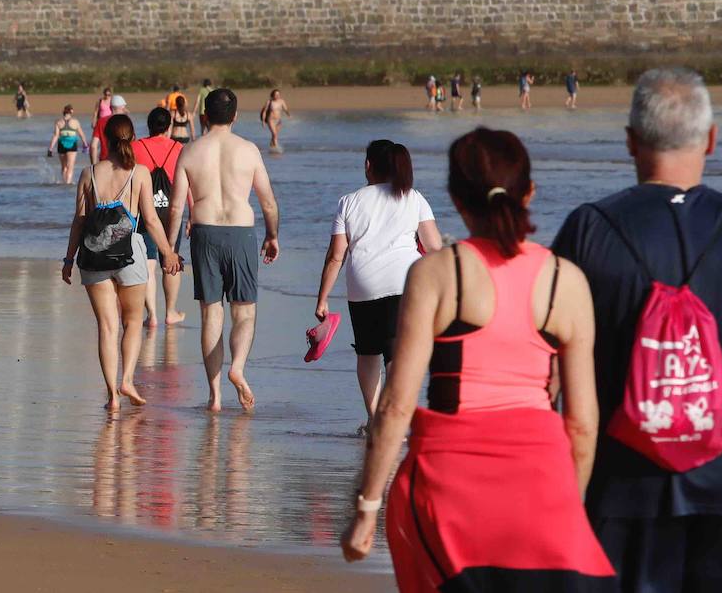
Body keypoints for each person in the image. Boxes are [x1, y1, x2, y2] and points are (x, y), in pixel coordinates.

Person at [341, 127, 615, 591]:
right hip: (541, 479)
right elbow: (583, 424)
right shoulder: (564, 280)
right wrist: (572, 505)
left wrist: (367, 509)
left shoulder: (436, 274)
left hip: (446, 484)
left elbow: (395, 407)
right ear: (530, 192)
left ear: (456, 198)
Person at [552, 68, 722, 592]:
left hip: (621, 491)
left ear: (631, 141)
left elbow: (546, 373)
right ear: (712, 140)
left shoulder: (588, 229)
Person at [314, 140, 441, 431]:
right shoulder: (413, 197)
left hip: (363, 287)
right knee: (397, 352)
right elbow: (434, 246)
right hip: (405, 284)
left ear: (368, 166)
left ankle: (375, 419)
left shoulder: (349, 201)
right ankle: (394, 417)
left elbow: (336, 256)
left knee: (368, 353)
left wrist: (322, 299)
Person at [166, 88, 280, 412]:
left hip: (204, 232)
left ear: (203, 116)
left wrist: (172, 250)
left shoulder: (189, 152)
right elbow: (268, 201)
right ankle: (238, 368)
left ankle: (215, 396)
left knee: (210, 312)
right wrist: (273, 235)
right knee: (244, 311)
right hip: (241, 232)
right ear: (234, 116)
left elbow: (176, 208)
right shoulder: (248, 150)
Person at [62, 114, 181, 411]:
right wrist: (168, 251)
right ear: (131, 136)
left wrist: (68, 259)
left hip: (93, 257)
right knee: (131, 322)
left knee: (106, 326)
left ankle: (112, 396)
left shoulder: (88, 172)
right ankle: (127, 379)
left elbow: (79, 221)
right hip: (131, 254)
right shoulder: (139, 172)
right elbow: (151, 220)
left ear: (107, 137)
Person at [134, 107, 186, 328]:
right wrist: (192, 214)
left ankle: (152, 315)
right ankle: (170, 312)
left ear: (149, 125)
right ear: (169, 126)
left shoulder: (135, 147)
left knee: (148, 265)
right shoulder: (179, 148)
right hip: (172, 213)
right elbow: (188, 184)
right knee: (171, 259)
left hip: (144, 213)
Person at [47, 105, 86, 184]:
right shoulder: (75, 122)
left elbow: (56, 136)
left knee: (64, 167)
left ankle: (64, 182)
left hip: (61, 145)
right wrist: (85, 144)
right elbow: (81, 134)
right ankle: (68, 184)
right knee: (70, 167)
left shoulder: (58, 122)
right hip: (72, 145)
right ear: (71, 111)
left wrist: (50, 148)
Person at [92, 94, 128, 163]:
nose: (124, 110)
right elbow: (131, 142)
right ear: (121, 108)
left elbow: (93, 146)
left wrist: (93, 166)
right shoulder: (125, 121)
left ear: (110, 107)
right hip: (122, 159)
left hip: (104, 160)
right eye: (123, 108)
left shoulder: (100, 121)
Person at [260, 89, 291, 153]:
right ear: (273, 95)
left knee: (275, 135)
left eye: (278, 94)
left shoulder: (281, 101)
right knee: (274, 134)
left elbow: (285, 109)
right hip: (271, 120)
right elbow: (264, 111)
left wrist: (288, 114)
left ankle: (272, 146)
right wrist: (263, 121)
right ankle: (277, 148)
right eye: (276, 94)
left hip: (278, 121)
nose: (277, 96)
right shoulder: (269, 102)